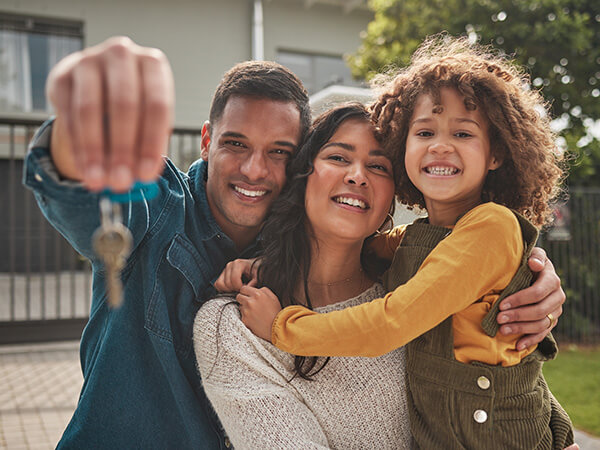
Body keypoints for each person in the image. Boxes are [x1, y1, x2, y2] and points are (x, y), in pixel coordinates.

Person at [23, 36, 566, 448]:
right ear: (208, 140)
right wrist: (81, 131)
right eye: (236, 143)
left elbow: (490, 375)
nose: (256, 168)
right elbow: (95, 196)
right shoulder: (172, 220)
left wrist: (530, 276)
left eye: (279, 151)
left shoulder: (403, 278)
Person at [236, 36, 575, 448]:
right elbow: (360, 248)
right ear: (403, 149)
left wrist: (281, 327)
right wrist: (263, 265)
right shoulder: (421, 238)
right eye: (425, 131)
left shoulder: (492, 226)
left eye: (464, 134)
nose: (440, 145)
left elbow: (390, 322)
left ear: (496, 154)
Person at [194, 103, 412, 448]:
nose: (358, 175)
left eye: (378, 166)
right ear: (302, 175)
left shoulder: (415, 295)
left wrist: (529, 273)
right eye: (339, 158)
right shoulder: (233, 328)